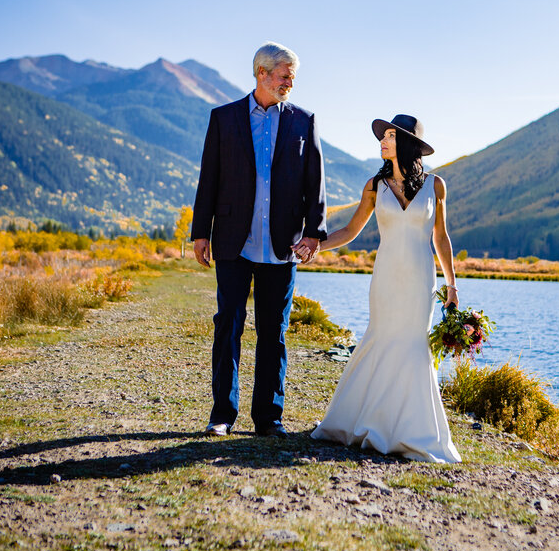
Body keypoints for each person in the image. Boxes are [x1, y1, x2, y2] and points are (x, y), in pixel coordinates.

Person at [191, 42, 326, 438]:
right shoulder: (224, 118)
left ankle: (269, 419)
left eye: (292, 77)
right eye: (284, 75)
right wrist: (201, 231)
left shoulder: (304, 121)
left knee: (274, 332)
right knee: (227, 327)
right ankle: (222, 415)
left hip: (283, 244)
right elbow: (208, 178)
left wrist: (315, 233)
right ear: (261, 73)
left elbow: (315, 183)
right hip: (234, 241)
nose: (289, 82)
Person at [311, 114, 461, 463]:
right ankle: (366, 422)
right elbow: (349, 232)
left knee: (414, 346)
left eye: (391, 136)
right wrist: (316, 245)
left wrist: (452, 283)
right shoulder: (373, 186)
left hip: (421, 279)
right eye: (384, 135)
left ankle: (412, 432)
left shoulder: (436, 186)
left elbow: (440, 236)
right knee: (380, 339)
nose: (383, 140)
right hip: (386, 278)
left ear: (407, 143)